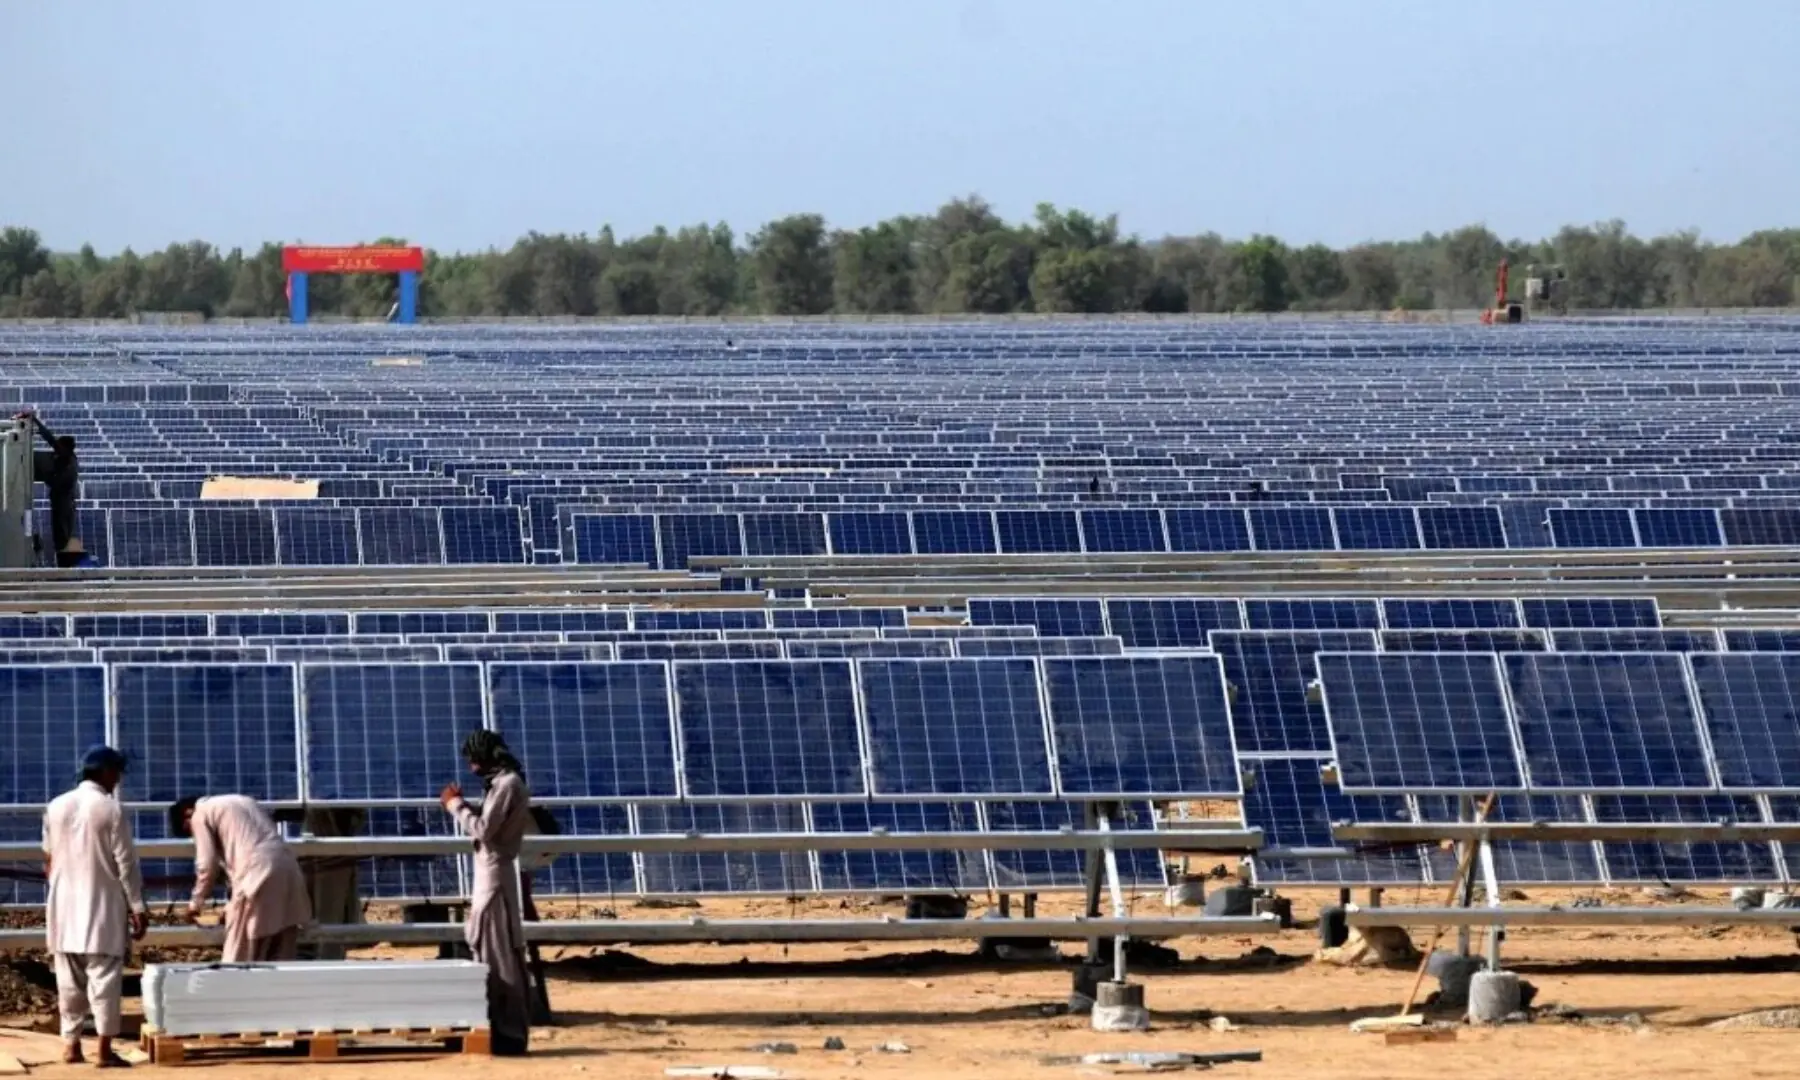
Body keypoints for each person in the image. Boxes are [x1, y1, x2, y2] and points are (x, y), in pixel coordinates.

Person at [42, 746, 148, 1068]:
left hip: (62, 906)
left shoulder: (55, 806)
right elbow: (126, 863)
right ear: (104, 772)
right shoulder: (110, 809)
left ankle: (71, 1046)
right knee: (104, 979)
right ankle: (103, 1051)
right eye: (116, 772)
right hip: (101, 905)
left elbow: (48, 859)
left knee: (68, 980)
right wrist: (138, 907)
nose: (117, 779)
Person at [440, 731, 532, 1056]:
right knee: (488, 953)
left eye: (474, 758)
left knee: (499, 957)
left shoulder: (507, 785)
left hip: (494, 881)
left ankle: (509, 1034)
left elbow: (484, 830)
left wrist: (455, 805)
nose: (471, 765)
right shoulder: (501, 784)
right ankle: (495, 1027)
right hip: (489, 876)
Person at [169, 795, 312, 962]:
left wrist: (195, 904)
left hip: (258, 874)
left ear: (188, 813)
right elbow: (244, 844)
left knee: (239, 954)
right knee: (280, 951)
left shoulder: (200, 814)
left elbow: (207, 865)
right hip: (289, 869)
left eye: (189, 831)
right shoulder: (244, 801)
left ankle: (237, 987)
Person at [272, 807, 366, 961]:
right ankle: (308, 955)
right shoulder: (323, 792)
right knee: (306, 913)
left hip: (332, 863)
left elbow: (347, 813)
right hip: (312, 859)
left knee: (329, 919)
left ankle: (328, 964)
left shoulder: (340, 792)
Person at [15, 411, 81, 567]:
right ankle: (63, 566)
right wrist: (34, 420)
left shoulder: (69, 470)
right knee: (59, 537)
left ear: (67, 451)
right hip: (58, 502)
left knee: (62, 538)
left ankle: (65, 570)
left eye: (59, 450)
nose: (56, 452)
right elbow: (50, 438)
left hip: (64, 506)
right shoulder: (62, 453)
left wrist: (41, 471)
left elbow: (54, 481)